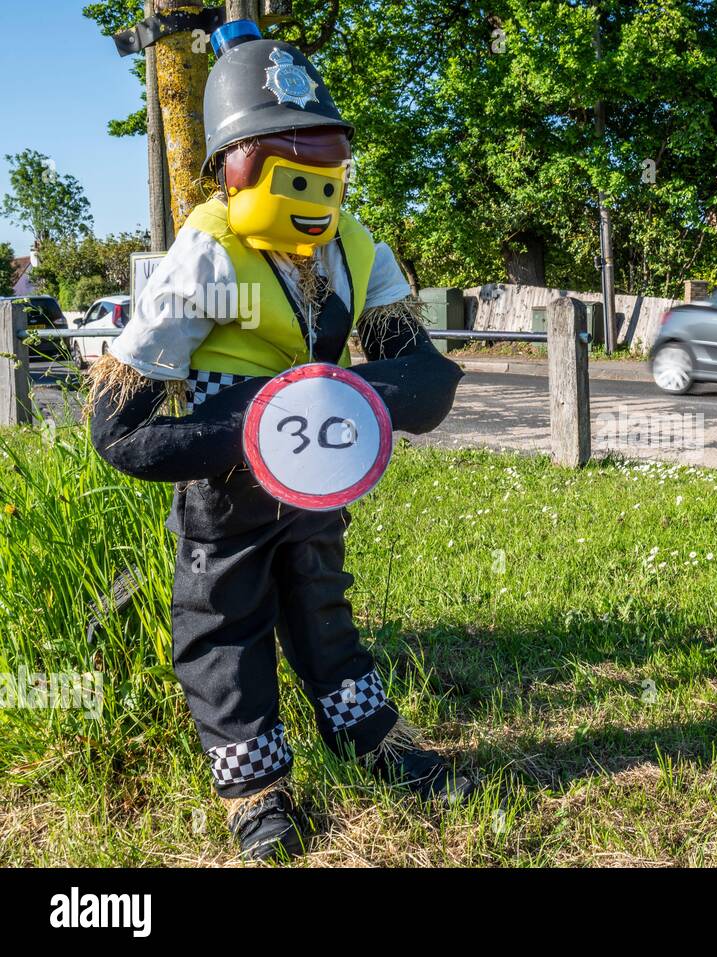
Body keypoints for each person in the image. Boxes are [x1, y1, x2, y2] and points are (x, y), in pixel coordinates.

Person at [85, 21, 474, 861]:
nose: (316, 206)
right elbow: (118, 429)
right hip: (226, 480)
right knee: (224, 623)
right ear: (235, 172)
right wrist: (253, 428)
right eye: (293, 178)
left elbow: (424, 376)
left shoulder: (359, 251)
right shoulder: (207, 255)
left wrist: (348, 396)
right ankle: (256, 789)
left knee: (321, 599)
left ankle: (370, 736)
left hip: (319, 472)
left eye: (328, 181)